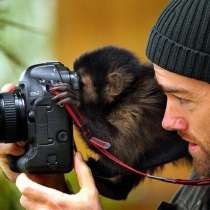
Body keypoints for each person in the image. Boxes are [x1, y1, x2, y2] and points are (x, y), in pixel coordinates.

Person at [1, 0, 210, 209]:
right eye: (167, 95)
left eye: (184, 99)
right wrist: (53, 186)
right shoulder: (199, 183)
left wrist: (78, 112)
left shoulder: (138, 109)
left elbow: (116, 147)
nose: (167, 121)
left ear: (114, 84)